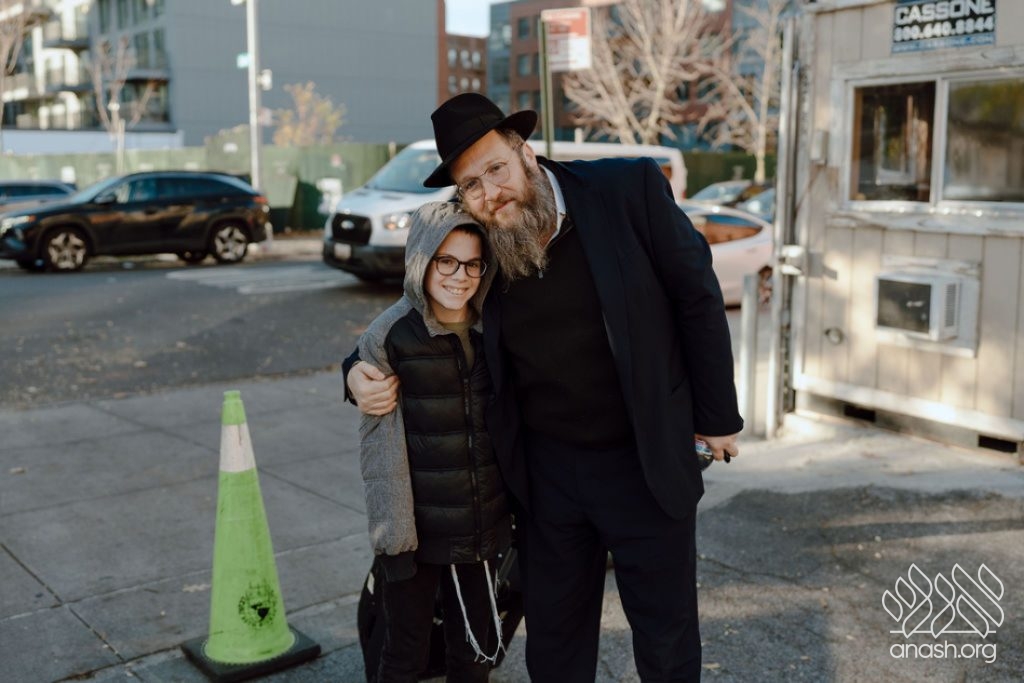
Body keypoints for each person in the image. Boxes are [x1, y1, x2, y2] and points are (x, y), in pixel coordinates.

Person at [346, 93, 742, 682]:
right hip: (547, 475)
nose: (490, 192)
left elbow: (697, 295)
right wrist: (356, 368)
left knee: (667, 639)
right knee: (555, 647)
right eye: (471, 184)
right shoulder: (477, 234)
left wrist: (718, 416)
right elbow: (418, 306)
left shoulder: (626, 189)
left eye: (496, 169)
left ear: (525, 154)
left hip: (643, 460)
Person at [357, 200, 511, 683]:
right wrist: (393, 540)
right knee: (404, 652)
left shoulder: (493, 326)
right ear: (421, 259)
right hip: (415, 532)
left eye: (472, 264)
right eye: (446, 261)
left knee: (475, 652)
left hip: (480, 526)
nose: (459, 276)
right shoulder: (391, 335)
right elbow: (379, 451)